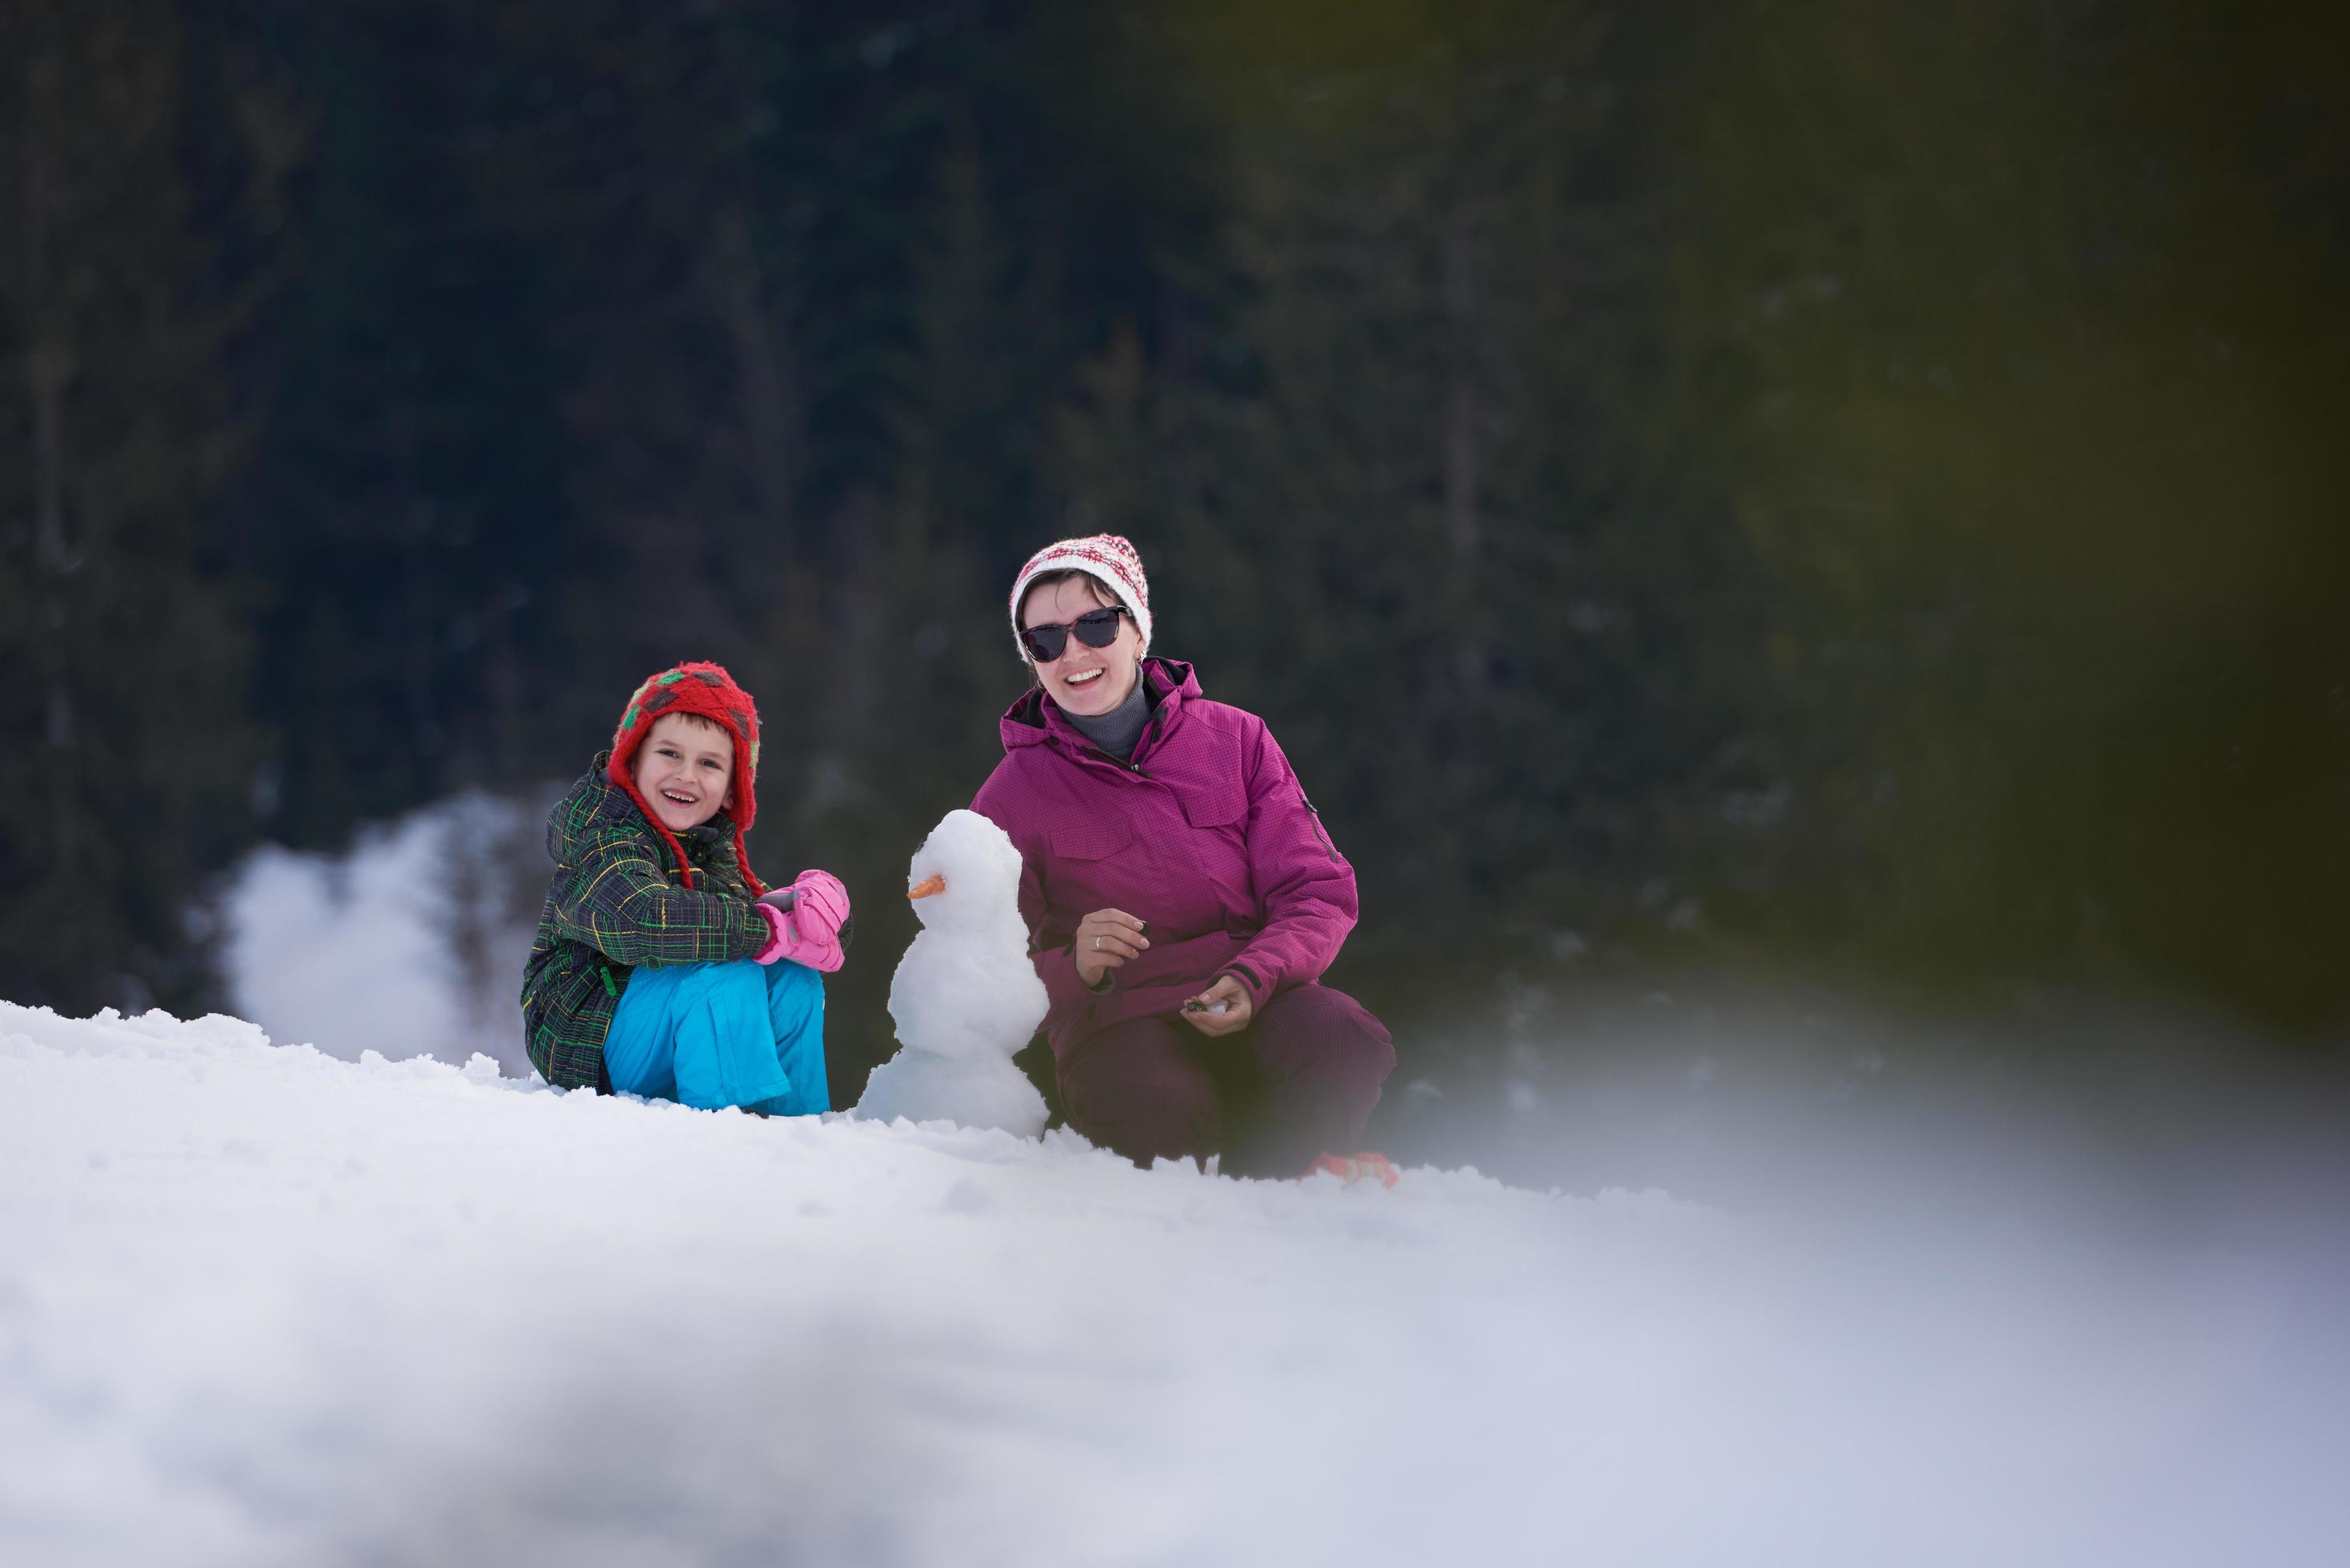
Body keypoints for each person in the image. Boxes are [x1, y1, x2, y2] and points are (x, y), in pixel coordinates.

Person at [971, 535, 1396, 1179]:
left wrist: (1254, 977)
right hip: (1118, 1025)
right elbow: (981, 972)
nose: (1074, 654)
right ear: (1030, 659)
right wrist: (1076, 965)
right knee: (1157, 1107)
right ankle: (1189, 1231)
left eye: (1095, 625)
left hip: (1257, 993)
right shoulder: (1010, 795)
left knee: (1347, 1040)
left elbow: (1316, 890)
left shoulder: (1236, 739)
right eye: (1046, 640)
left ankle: (1288, 1185)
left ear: (1138, 632)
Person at [521, 660, 850, 1112]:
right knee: (726, 971)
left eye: (709, 763)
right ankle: (725, 1139)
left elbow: (755, 915)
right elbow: (637, 918)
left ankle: (797, 1130)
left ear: (733, 791)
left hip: (655, 1021)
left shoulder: (710, 847)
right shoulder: (604, 834)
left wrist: (815, 919)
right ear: (633, 758)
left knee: (794, 979)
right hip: (585, 1033)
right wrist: (765, 929)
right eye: (670, 754)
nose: (687, 775)